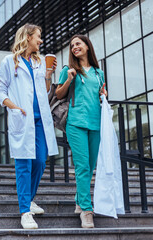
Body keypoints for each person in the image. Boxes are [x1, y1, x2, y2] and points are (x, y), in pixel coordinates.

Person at [0, 23, 59, 229]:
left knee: (40, 161)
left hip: (40, 119)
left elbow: (45, 90)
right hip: (22, 118)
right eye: (38, 37)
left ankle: (29, 200)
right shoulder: (9, 61)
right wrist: (13, 107)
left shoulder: (39, 62)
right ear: (28, 37)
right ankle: (25, 212)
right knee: (24, 165)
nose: (41, 41)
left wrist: (49, 73)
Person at [55, 35, 108, 228]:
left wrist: (104, 94)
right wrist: (69, 80)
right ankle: (86, 210)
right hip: (76, 124)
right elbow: (58, 93)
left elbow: (100, 94)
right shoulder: (68, 71)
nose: (74, 47)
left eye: (78, 44)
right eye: (72, 46)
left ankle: (79, 199)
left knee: (91, 166)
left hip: (96, 124)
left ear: (87, 46)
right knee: (82, 167)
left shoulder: (98, 73)